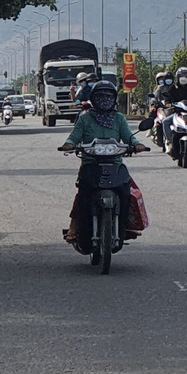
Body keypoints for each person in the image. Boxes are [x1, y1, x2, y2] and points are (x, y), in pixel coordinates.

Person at [61, 80, 142, 252]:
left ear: (114, 99)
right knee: (82, 195)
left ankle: (126, 224)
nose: (104, 100)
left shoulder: (119, 119)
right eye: (100, 96)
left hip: (115, 165)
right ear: (93, 99)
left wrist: (137, 144)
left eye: (108, 96)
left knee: (127, 193)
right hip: (91, 165)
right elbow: (74, 137)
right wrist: (69, 144)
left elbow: (129, 137)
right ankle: (75, 227)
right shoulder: (85, 119)